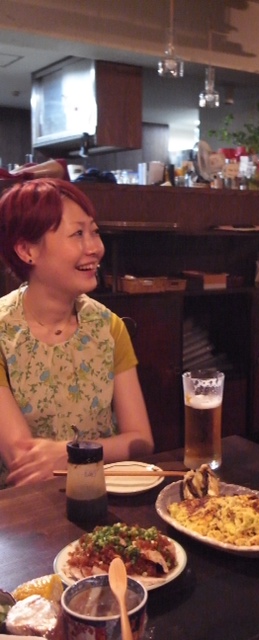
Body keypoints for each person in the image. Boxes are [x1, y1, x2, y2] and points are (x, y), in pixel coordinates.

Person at [0, 178, 154, 488]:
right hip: (27, 506)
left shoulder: (109, 327)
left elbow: (141, 441)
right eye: (78, 234)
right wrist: (98, 451)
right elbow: (24, 460)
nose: (95, 248)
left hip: (102, 495)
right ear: (27, 250)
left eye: (94, 232)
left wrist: (68, 453)